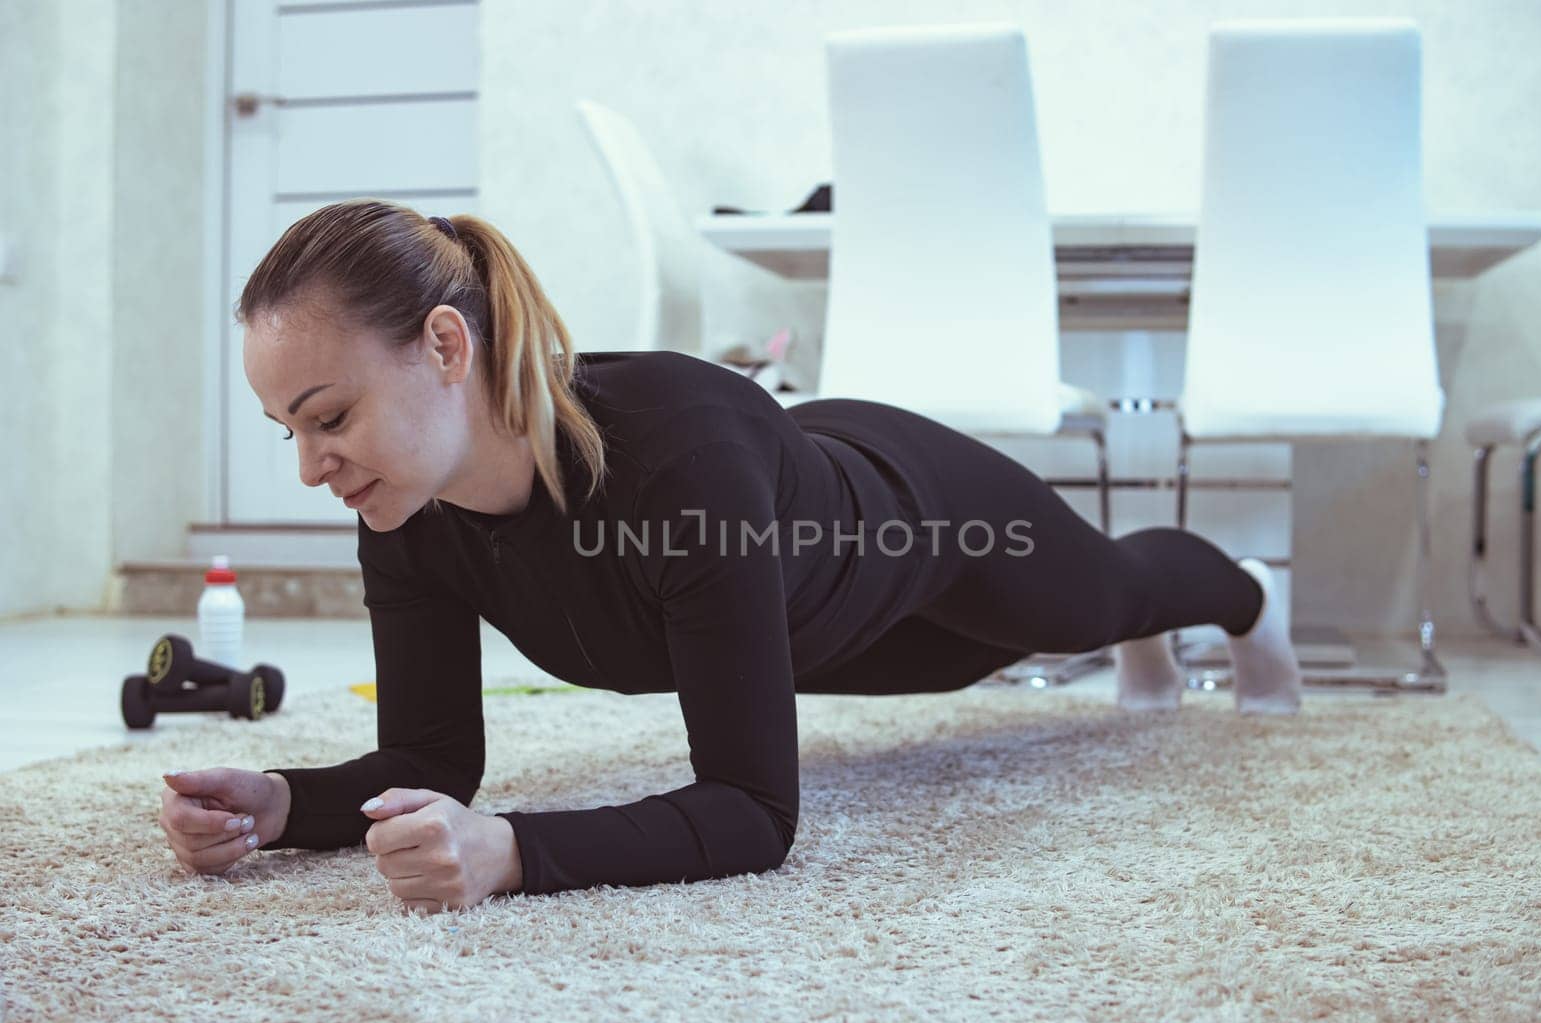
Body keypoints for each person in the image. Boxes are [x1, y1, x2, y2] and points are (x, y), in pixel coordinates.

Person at [157, 200, 1302, 914]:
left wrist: (511, 853)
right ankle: (1143, 632)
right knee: (965, 667)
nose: (313, 465)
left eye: (329, 416)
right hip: (819, 621)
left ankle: (1251, 600)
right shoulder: (403, 506)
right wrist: (280, 803)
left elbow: (756, 812)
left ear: (445, 346)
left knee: (1096, 597)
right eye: (291, 433)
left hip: (917, 519)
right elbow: (430, 754)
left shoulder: (676, 459)